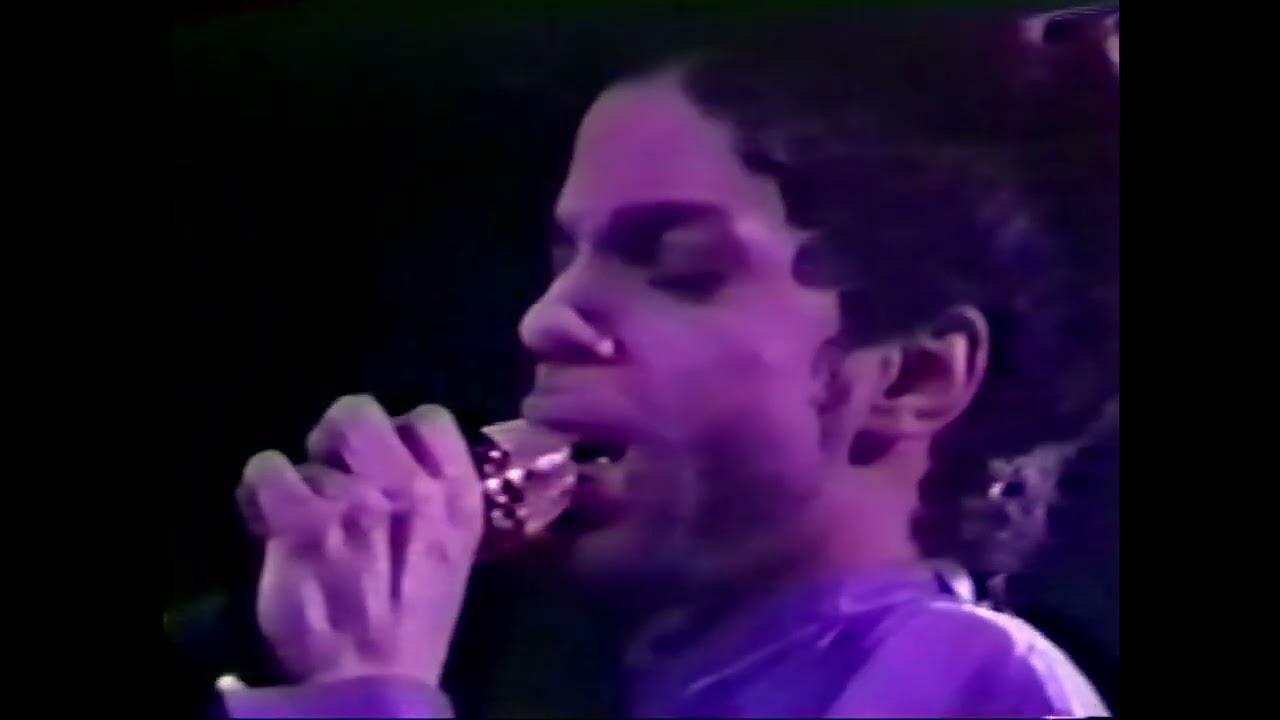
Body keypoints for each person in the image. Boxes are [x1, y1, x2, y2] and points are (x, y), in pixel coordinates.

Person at [223, 11, 1118, 718]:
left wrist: (367, 691)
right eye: (562, 259)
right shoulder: (642, 676)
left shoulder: (967, 673)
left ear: (912, 377)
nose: (546, 321)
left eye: (679, 269)